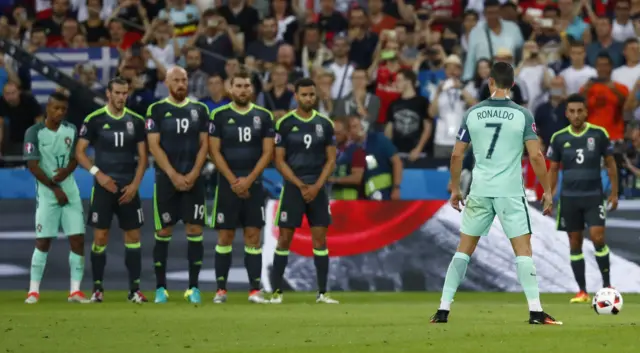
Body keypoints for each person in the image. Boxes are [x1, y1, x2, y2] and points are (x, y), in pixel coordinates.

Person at [431, 62, 561, 325]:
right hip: (510, 192)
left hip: (480, 189)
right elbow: (535, 155)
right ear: (512, 84)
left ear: (490, 82)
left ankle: (443, 310)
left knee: (463, 250)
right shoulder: (522, 115)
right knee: (523, 251)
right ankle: (536, 312)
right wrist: (547, 190)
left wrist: (456, 188)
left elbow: (457, 154)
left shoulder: (473, 113)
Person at [75, 77, 148, 303]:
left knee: (133, 236)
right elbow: (80, 152)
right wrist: (99, 174)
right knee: (100, 236)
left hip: (128, 186)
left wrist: (135, 185)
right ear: (108, 93)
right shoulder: (94, 120)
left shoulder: (136, 121)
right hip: (104, 187)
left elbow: (144, 158)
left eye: (124, 93)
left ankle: (134, 290)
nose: (121, 97)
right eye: (117, 92)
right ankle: (98, 289)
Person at [208, 70, 274, 304]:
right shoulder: (219, 115)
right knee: (225, 235)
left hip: (254, 185)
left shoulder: (264, 116)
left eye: (247, 86)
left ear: (252, 89)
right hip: (227, 186)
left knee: (253, 235)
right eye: (239, 86)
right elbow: (213, 151)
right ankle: (221, 290)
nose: (243, 90)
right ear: (230, 88)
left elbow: (268, 152)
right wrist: (234, 180)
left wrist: (249, 179)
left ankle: (254, 290)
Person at [271, 78, 338, 304]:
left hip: (317, 188)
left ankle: (322, 292)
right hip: (293, 187)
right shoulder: (285, 123)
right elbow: (279, 161)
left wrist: (317, 186)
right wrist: (300, 185)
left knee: (320, 240)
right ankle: (277, 292)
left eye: (311, 94)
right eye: (304, 95)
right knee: (284, 238)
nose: (308, 98)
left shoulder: (325, 124)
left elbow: (331, 160)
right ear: (296, 96)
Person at [146, 67, 210, 304]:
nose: (181, 84)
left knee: (195, 230)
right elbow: (154, 145)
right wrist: (173, 174)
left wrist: (194, 173)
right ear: (167, 82)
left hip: (194, 179)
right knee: (164, 231)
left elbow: (205, 145)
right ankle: (161, 288)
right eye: (177, 80)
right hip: (166, 180)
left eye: (184, 80)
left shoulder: (200, 109)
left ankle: (193, 287)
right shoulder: (157, 109)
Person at [547, 94, 618, 303]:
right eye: (572, 111)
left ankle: (607, 286)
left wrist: (614, 192)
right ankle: (582, 291)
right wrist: (549, 195)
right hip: (569, 198)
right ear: (566, 113)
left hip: (594, 196)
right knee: (574, 243)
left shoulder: (598, 134)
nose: (576, 115)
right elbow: (552, 169)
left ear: (586, 112)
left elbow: (611, 164)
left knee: (598, 238)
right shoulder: (559, 138)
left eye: (580, 111)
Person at [23, 92, 88, 304]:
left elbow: (74, 158)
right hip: (47, 193)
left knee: (77, 238)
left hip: (70, 191)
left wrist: (67, 172)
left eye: (63, 109)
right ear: (47, 108)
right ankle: (33, 291)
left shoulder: (71, 130)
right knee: (43, 241)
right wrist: (54, 187)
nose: (60, 112)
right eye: (56, 108)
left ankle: (75, 291)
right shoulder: (34, 133)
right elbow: (32, 165)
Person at [350, 116, 402, 200]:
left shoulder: (379, 139)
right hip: (364, 197)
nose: (353, 131)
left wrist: (396, 187)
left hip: (385, 194)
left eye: (355, 126)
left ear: (362, 126)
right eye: (350, 128)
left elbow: (397, 162)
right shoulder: (351, 148)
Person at [328, 118, 366, 200]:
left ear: (347, 132)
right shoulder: (331, 151)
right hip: (332, 199)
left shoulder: (356, 151)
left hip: (350, 201)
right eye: (332, 134)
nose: (334, 137)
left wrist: (334, 180)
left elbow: (357, 178)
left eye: (338, 134)